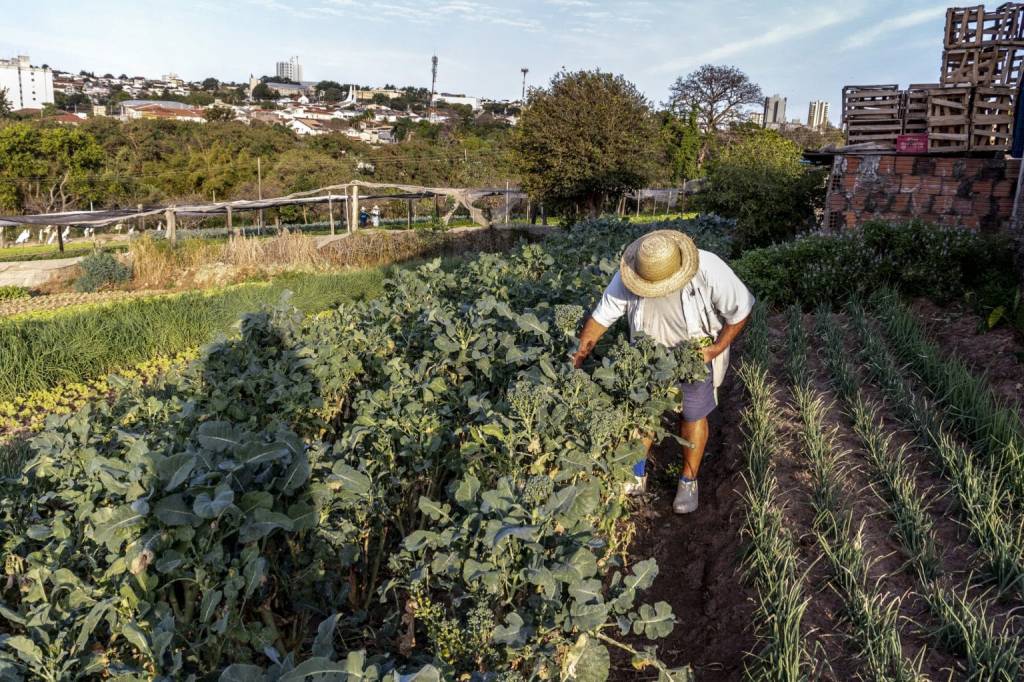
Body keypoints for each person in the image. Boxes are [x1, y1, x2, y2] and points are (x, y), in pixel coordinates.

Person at [572, 230, 754, 514]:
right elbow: (601, 318)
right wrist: (577, 359)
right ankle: (636, 474)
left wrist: (716, 349)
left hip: (693, 352)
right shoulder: (630, 273)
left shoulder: (709, 268)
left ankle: (688, 480)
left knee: (692, 415)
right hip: (646, 354)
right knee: (641, 414)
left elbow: (740, 310)